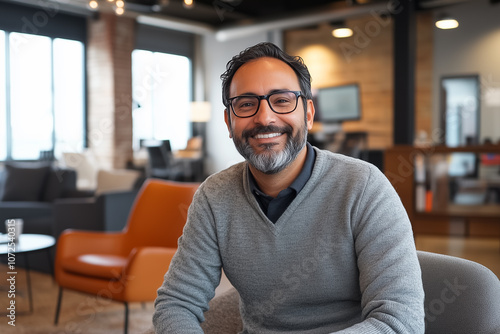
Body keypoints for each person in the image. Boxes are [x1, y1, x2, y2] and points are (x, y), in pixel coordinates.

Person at [153, 42, 425, 333]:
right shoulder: (214, 197)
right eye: (246, 104)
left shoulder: (364, 188)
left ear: (308, 113)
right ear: (229, 122)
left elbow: (400, 322)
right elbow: (176, 304)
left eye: (282, 101)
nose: (265, 118)